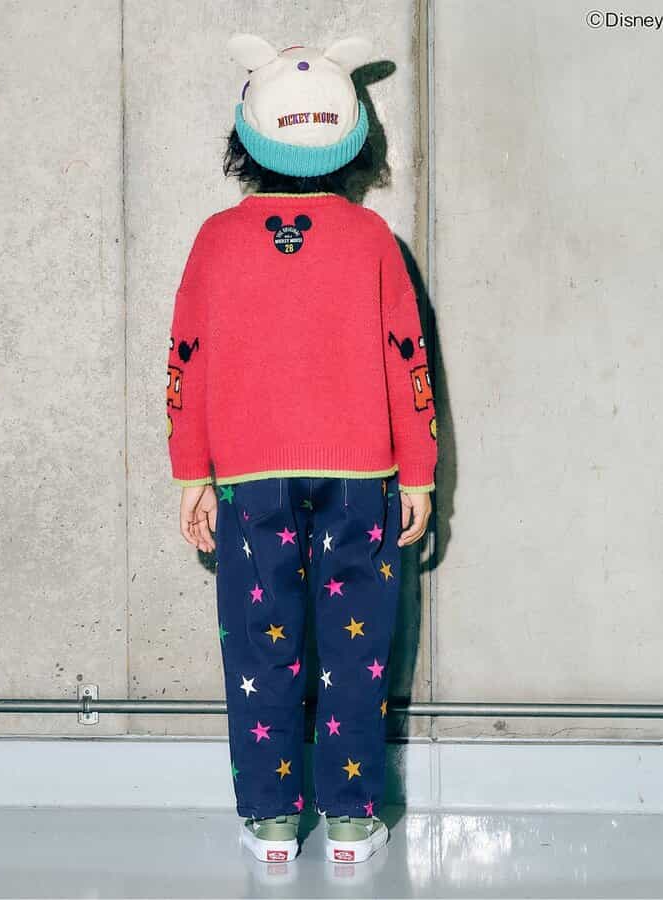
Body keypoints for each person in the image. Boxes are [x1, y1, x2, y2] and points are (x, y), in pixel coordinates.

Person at [166, 32, 437, 865]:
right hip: (362, 478)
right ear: (352, 138)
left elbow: (187, 360)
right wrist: (420, 473)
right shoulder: (372, 239)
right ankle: (352, 822)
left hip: (249, 481)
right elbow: (408, 361)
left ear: (248, 135)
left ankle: (273, 824)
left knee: (262, 648)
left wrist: (191, 473)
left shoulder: (216, 238)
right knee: (358, 650)